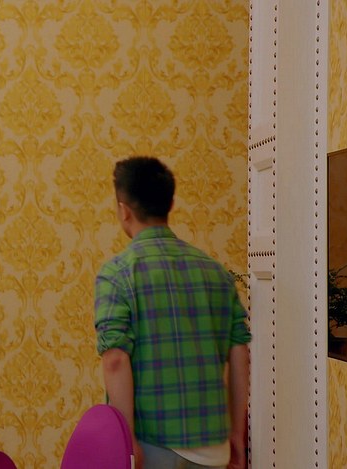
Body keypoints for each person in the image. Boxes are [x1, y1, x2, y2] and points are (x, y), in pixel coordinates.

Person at [94, 157, 251, 469]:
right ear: (171, 205)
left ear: (124, 210)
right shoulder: (216, 273)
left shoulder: (118, 273)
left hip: (153, 444)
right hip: (213, 446)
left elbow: (115, 360)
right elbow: (239, 353)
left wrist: (127, 440)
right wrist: (237, 432)